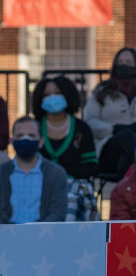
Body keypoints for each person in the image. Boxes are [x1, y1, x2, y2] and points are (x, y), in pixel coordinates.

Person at [32, 75, 98, 221]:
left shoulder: (82, 129)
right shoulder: (33, 127)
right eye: (47, 95)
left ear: (67, 95)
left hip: (73, 187)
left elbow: (91, 165)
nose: (52, 98)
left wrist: (63, 174)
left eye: (57, 94)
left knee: (69, 199)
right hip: (38, 185)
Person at [0, 116, 68, 224]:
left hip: (43, 237)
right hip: (7, 238)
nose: (25, 139)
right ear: (12, 141)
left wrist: (36, 233)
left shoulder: (56, 174)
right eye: (20, 135)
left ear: (41, 142)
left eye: (31, 135)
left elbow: (58, 214)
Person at [85, 47, 136, 152]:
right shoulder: (102, 90)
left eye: (128, 62)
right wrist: (113, 129)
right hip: (108, 144)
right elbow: (90, 121)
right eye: (120, 61)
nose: (124, 64)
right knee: (126, 137)